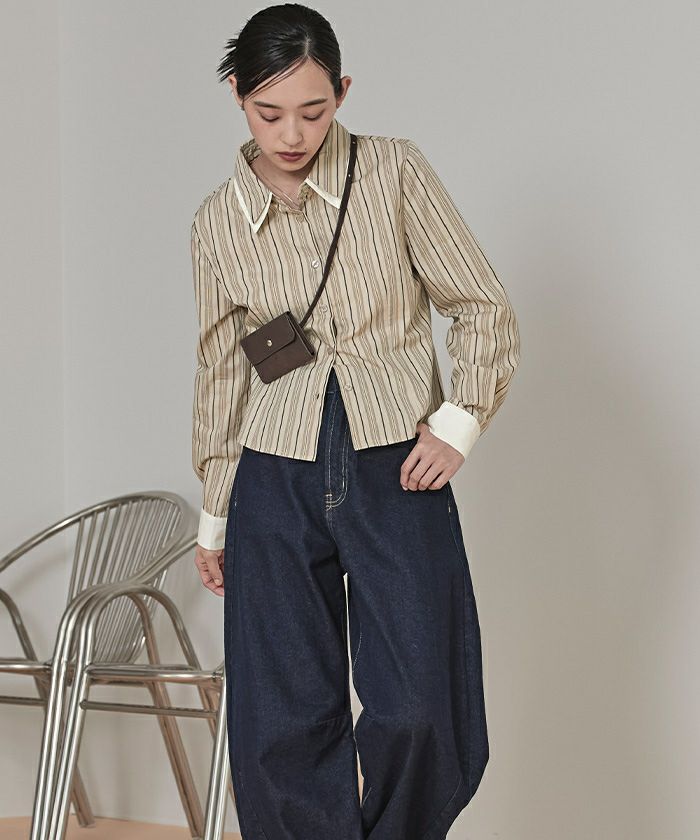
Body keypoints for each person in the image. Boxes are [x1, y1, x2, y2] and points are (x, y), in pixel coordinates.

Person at [190, 4, 520, 838]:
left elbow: (481, 303)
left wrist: (459, 421)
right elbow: (222, 371)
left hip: (393, 463)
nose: (291, 133)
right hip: (273, 472)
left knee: (420, 706)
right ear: (237, 96)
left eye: (313, 110)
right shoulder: (217, 222)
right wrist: (215, 512)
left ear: (342, 91)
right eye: (269, 112)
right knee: (282, 719)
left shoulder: (394, 171)